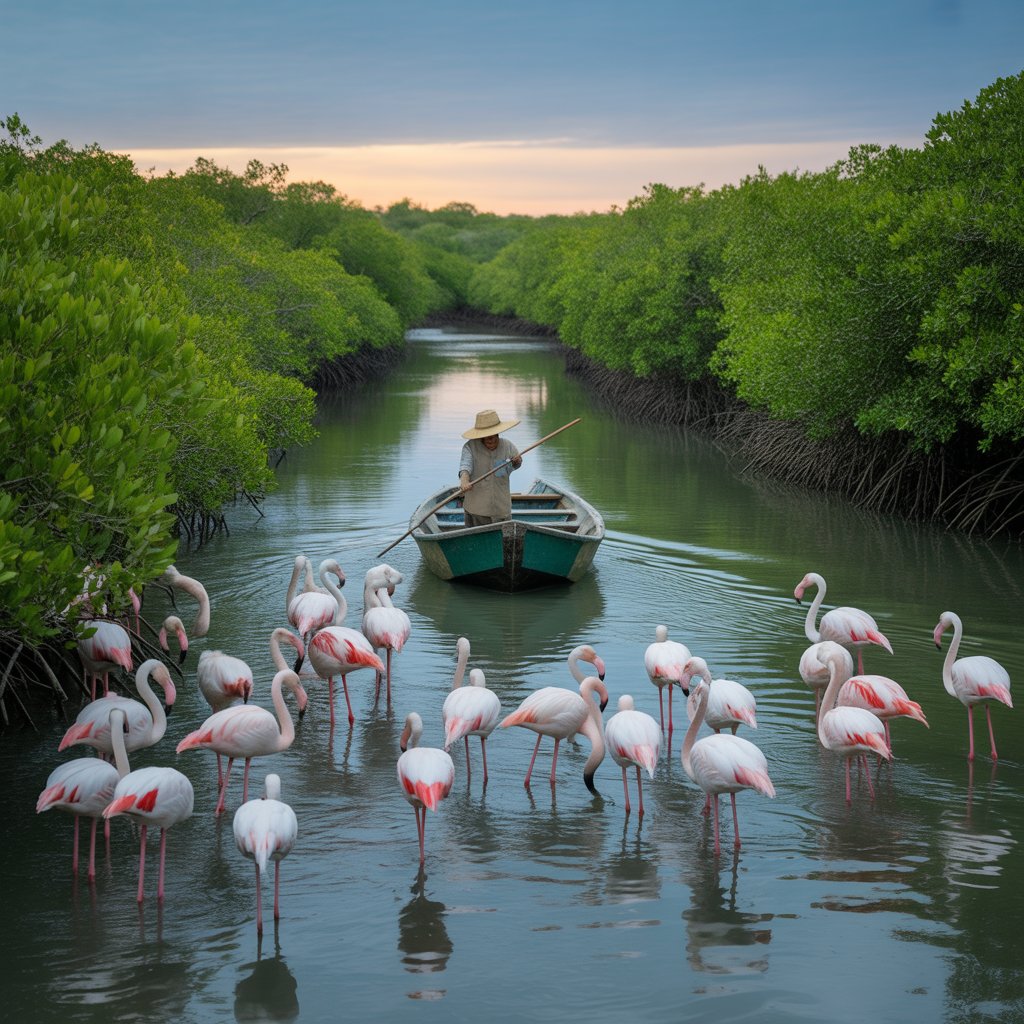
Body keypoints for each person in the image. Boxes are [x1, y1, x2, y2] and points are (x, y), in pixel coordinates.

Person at [458, 410, 523, 527]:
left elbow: (515, 465)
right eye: (487, 437)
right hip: (477, 511)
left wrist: (517, 462)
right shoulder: (470, 447)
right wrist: (464, 481)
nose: (491, 440)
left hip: (502, 510)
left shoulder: (508, 446)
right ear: (481, 436)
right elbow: (465, 467)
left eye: (494, 436)